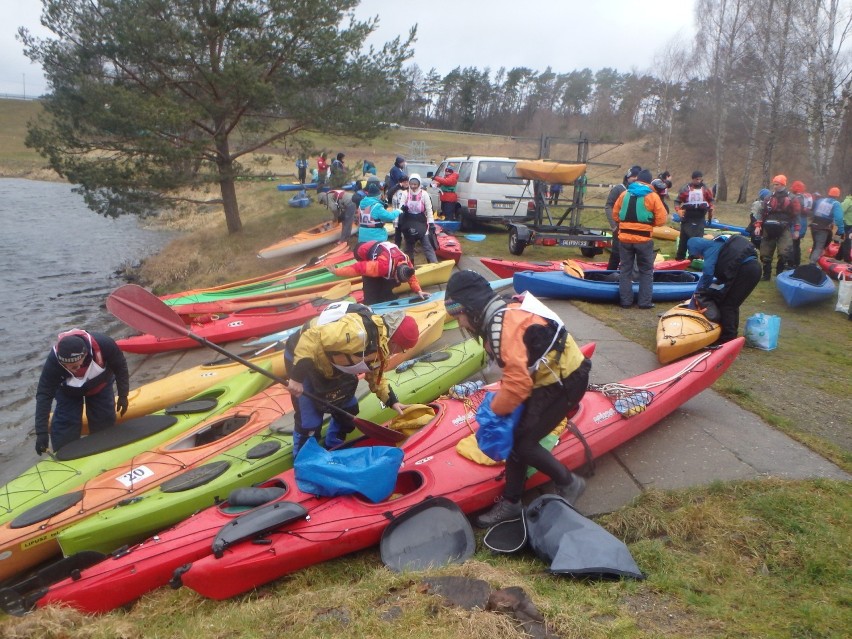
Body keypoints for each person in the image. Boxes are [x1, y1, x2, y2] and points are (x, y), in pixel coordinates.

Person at [443, 270, 591, 527]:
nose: (460, 324)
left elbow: (518, 384)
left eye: (460, 316)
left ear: (473, 307)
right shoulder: (497, 314)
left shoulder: (504, 326)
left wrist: (497, 411)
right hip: (545, 378)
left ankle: (569, 483)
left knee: (524, 443)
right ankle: (511, 503)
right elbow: (519, 375)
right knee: (516, 439)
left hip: (565, 381)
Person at [284, 306, 419, 456]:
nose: (400, 353)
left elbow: (375, 376)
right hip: (304, 356)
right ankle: (304, 459)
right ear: (395, 341)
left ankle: (334, 446)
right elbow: (311, 338)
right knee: (310, 421)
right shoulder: (356, 334)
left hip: (335, 361)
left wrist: (392, 401)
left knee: (348, 410)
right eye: (402, 349)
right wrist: (296, 378)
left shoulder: (383, 344)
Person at [34, 329, 130, 454]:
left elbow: (120, 367)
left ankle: (104, 452)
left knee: (103, 420)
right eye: (66, 366)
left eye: (75, 366)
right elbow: (44, 394)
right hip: (68, 392)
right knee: (66, 425)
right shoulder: (53, 361)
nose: (72, 370)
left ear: (84, 355)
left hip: (99, 385)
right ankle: (66, 455)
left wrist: (123, 395)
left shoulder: (104, 344)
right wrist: (41, 432)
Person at [686, 235, 762, 344]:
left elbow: (707, 275)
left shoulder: (709, 252)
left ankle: (727, 340)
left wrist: (697, 295)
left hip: (746, 272)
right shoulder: (718, 243)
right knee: (732, 303)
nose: (700, 257)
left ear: (698, 249)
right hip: (754, 268)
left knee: (727, 305)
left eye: (697, 254)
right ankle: (730, 335)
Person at [612, 169, 668, 309]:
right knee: (646, 271)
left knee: (625, 270)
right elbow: (661, 220)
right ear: (649, 182)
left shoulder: (624, 194)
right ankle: (644, 302)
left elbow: (615, 215)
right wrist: (649, 224)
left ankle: (625, 301)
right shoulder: (653, 196)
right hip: (643, 240)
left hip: (624, 238)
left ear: (637, 180)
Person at [332, 240, 430, 304]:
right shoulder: (382, 266)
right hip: (367, 255)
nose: (397, 279)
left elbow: (411, 275)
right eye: (396, 276)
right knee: (372, 287)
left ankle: (387, 297)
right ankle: (372, 303)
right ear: (396, 271)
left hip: (382, 254)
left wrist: (418, 290)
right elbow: (358, 268)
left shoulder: (406, 261)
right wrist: (337, 272)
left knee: (392, 281)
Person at [754, 175, 801, 280]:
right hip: (768, 227)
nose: (775, 186)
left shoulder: (792, 198)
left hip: (784, 227)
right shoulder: (769, 197)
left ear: (783, 184)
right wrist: (758, 225)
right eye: (774, 184)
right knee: (765, 253)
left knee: (784, 252)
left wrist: (796, 230)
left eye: (777, 184)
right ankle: (766, 275)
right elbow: (761, 212)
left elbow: (796, 215)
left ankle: (779, 274)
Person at [394, 173, 438, 264]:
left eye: (415, 184)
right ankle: (409, 265)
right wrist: (402, 210)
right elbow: (401, 207)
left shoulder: (424, 194)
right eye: (411, 184)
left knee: (426, 244)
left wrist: (431, 223)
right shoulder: (405, 193)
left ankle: (433, 264)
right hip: (408, 220)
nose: (413, 186)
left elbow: (429, 210)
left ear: (419, 184)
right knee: (408, 246)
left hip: (420, 220)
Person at [605, 165, 641, 270]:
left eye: (637, 177)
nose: (635, 179)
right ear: (628, 177)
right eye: (633, 176)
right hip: (619, 228)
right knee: (616, 254)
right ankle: (610, 274)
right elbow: (608, 206)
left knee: (632, 255)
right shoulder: (619, 189)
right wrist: (614, 226)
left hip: (634, 229)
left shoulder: (641, 192)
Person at [674, 171, 715, 260]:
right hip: (688, 216)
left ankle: (694, 257)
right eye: (697, 179)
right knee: (684, 239)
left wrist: (711, 208)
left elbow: (711, 200)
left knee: (697, 239)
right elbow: (677, 201)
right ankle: (680, 257)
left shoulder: (705, 189)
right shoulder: (686, 189)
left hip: (700, 216)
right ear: (692, 179)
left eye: (700, 179)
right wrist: (678, 210)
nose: (699, 181)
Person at [356, 177, 401, 248]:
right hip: (376, 238)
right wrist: (398, 211)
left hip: (362, 236)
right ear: (378, 195)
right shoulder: (377, 206)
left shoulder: (361, 204)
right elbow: (390, 217)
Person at [809, 187, 845, 264]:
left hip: (814, 225)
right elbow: (839, 218)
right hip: (823, 227)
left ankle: (812, 261)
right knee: (820, 247)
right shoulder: (836, 203)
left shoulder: (820, 200)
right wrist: (841, 230)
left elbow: (812, 209)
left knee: (816, 245)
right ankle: (811, 265)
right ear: (838, 195)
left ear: (829, 193)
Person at [789, 181, 813, 267]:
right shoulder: (808, 196)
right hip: (804, 221)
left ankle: (791, 263)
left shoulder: (797, 197)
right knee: (796, 243)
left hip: (796, 221)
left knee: (792, 243)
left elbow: (795, 211)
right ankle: (796, 262)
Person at [841, 191, 852, 262]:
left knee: (846, 242)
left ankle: (838, 257)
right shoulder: (848, 201)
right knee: (847, 242)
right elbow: (841, 210)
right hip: (847, 224)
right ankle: (846, 260)